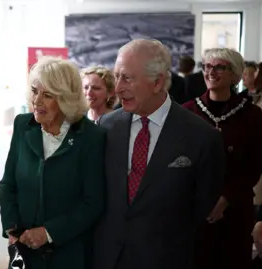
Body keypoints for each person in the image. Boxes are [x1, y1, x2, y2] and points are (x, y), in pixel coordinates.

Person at [93, 39, 225, 269]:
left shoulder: (201, 136)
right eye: (117, 77)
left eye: (127, 78)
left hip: (165, 259)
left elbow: (202, 205)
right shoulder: (106, 126)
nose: (118, 88)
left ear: (157, 83)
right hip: (108, 259)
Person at [0, 56, 105, 269]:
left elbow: (92, 202)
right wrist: (12, 229)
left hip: (67, 254)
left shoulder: (91, 137)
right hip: (24, 251)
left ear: (66, 99)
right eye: (35, 91)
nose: (37, 101)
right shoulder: (23, 125)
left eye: (47, 95)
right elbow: (8, 184)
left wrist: (48, 233)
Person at [183, 48, 262, 269]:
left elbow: (254, 166)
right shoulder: (186, 112)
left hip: (236, 209)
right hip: (196, 210)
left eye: (219, 67)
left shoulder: (253, 116)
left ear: (235, 75)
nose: (211, 72)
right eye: (207, 66)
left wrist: (225, 199)